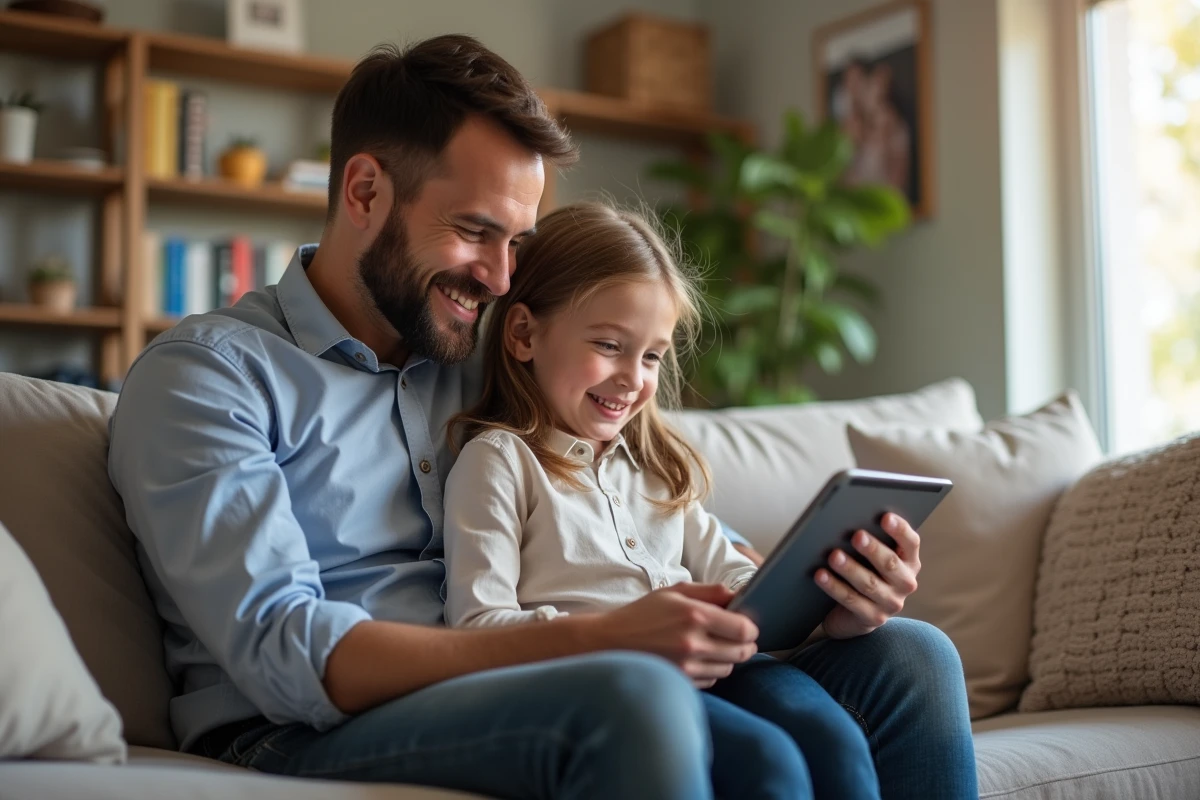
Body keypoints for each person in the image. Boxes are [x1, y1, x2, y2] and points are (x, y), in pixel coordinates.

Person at [107, 34, 977, 800]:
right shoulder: (208, 379)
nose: (498, 276)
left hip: (533, 680)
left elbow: (654, 517)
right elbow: (285, 649)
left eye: (517, 243)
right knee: (633, 695)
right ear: (364, 190)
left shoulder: (496, 356)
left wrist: (822, 601)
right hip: (301, 728)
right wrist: (602, 639)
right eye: (474, 231)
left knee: (910, 658)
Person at [444, 201, 886, 799]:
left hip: (722, 669)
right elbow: (477, 624)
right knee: (767, 762)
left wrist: (799, 587)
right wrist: (619, 630)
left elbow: (726, 567)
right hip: (618, 684)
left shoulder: (657, 465)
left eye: (651, 355)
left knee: (832, 739)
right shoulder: (500, 461)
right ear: (524, 334)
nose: (634, 378)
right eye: (608, 344)